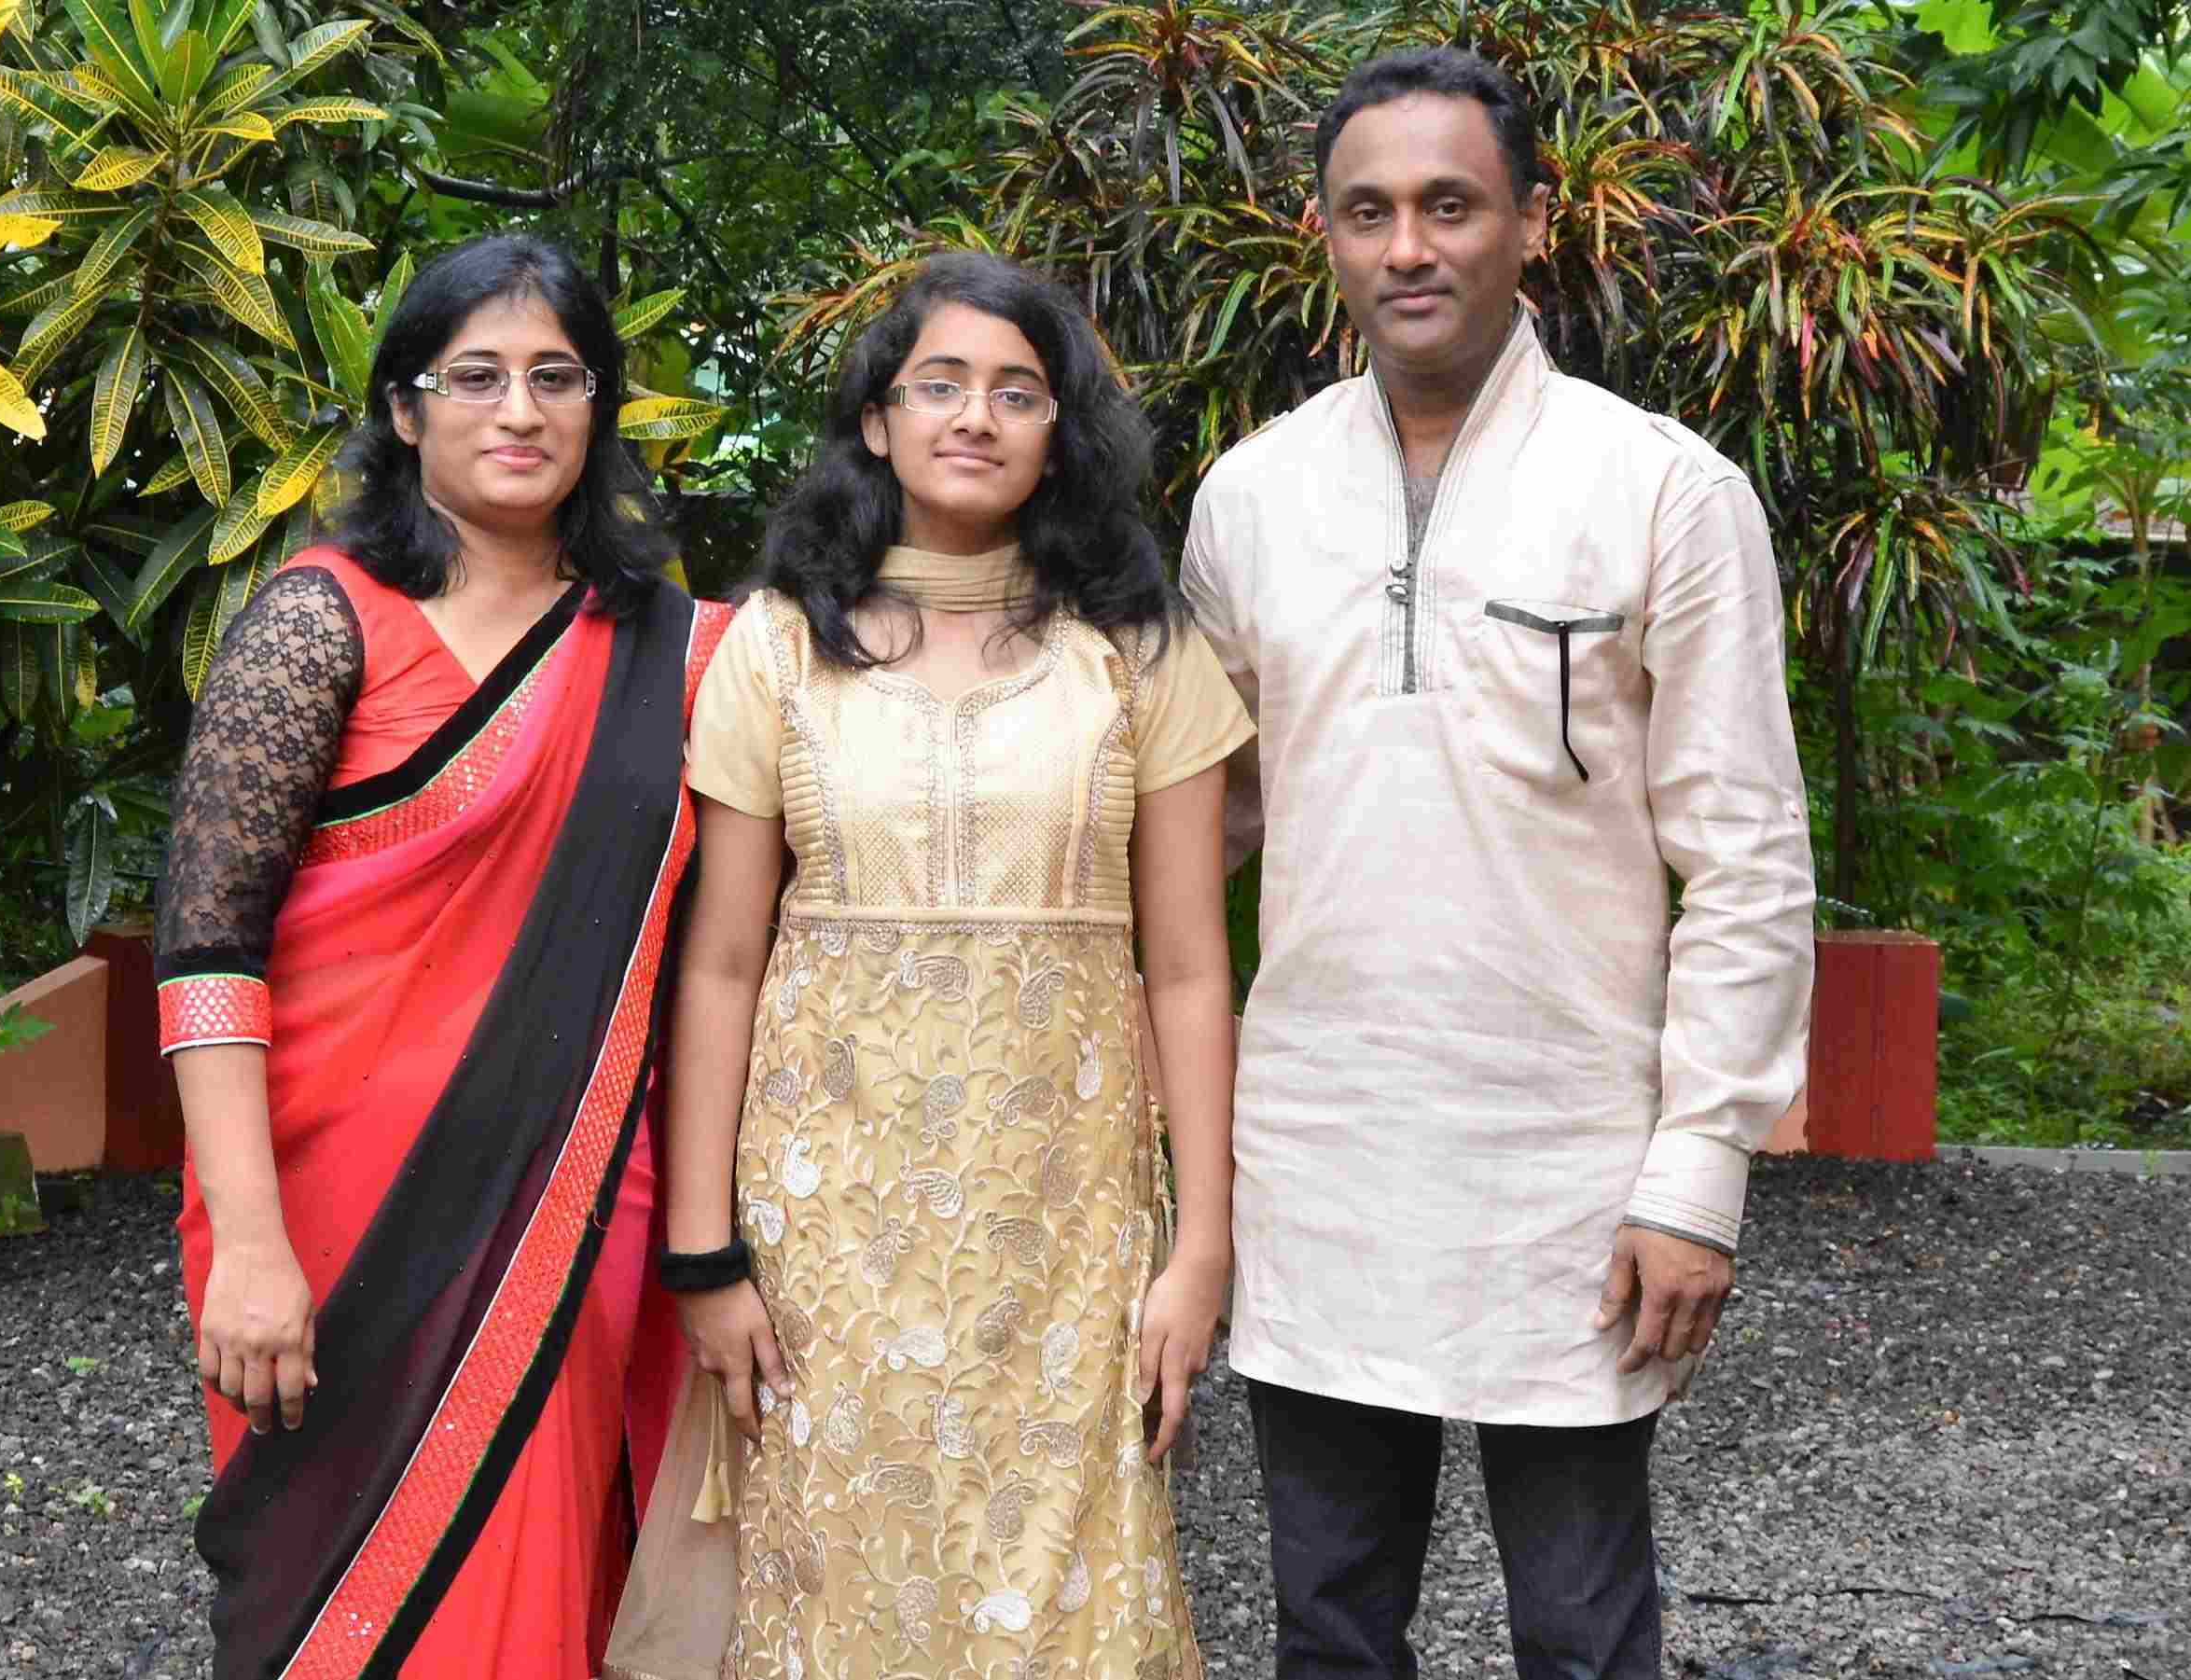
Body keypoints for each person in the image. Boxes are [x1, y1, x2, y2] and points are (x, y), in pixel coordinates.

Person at [1180, 47, 1817, 1680]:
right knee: (1328, 1627)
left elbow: (1747, 858)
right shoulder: (1249, 500)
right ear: (1323, 236)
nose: (1409, 247)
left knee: (1583, 1633)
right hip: (1318, 1153)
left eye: (1450, 205)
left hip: (1573, 1168)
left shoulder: (1663, 489)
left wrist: (1698, 1172)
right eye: (1369, 211)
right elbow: (1198, 825)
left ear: (1532, 223)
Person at [660, 251, 1250, 1678]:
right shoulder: (777, 648)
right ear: (878, 421)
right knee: (842, 1581)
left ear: (1060, 432)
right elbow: (721, 962)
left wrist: (1202, 1248)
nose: (976, 416)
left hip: (1065, 1227)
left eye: (1017, 392)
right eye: (940, 385)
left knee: (1067, 1597)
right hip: (827, 1229)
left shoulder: (1138, 652)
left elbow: (1187, 969)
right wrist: (704, 1251)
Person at [154, 234, 728, 1680]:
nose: (519, 410)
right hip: (320, 1209)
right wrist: (252, 1243)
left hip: (569, 1197)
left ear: (599, 408)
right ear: (406, 410)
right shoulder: (319, 620)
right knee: (327, 1606)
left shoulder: (681, 654)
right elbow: (206, 947)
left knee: (538, 1582)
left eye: (557, 376)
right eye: (476, 377)